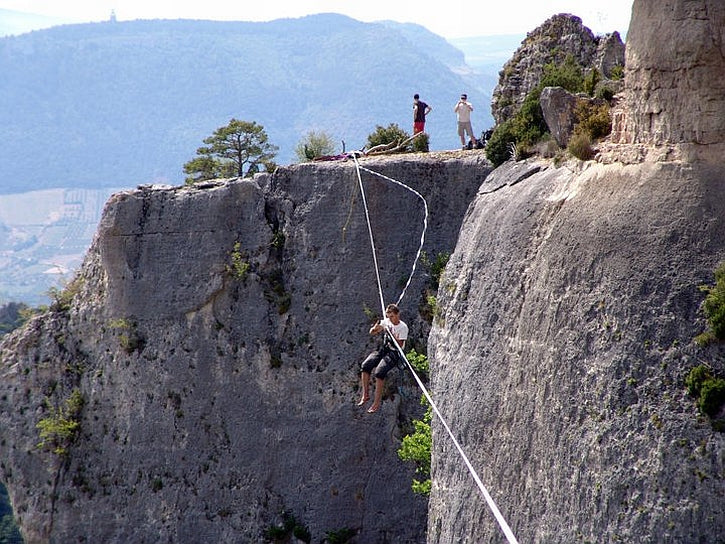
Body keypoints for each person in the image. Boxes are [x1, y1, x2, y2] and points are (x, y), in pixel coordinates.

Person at [357, 303, 408, 413]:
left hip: (394, 353)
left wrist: (390, 333)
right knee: (366, 366)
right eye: (388, 317)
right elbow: (372, 332)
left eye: (392, 316)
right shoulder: (387, 322)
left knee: (379, 372)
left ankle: (376, 403)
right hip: (384, 349)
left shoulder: (403, 327)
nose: (390, 319)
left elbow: (399, 345)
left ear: (397, 314)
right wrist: (375, 328)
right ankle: (365, 395)